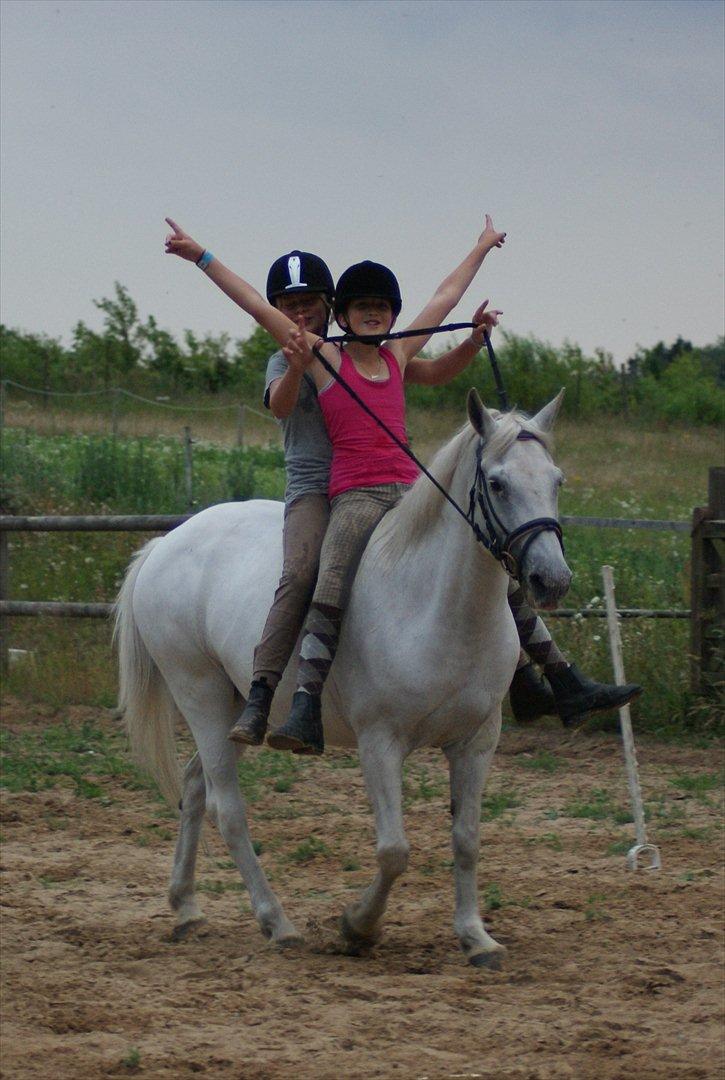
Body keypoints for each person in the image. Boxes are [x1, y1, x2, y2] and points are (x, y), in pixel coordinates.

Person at [164, 219, 641, 753]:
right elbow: (253, 303)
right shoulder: (317, 356)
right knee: (319, 579)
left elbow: (444, 302)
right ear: (345, 315)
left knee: (493, 563)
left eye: (382, 308)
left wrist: (481, 256)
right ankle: (287, 700)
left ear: (338, 308)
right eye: (362, 307)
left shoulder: (395, 354)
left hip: (411, 490)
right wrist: (201, 256)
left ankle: (554, 680)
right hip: (350, 494)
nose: (372, 314)